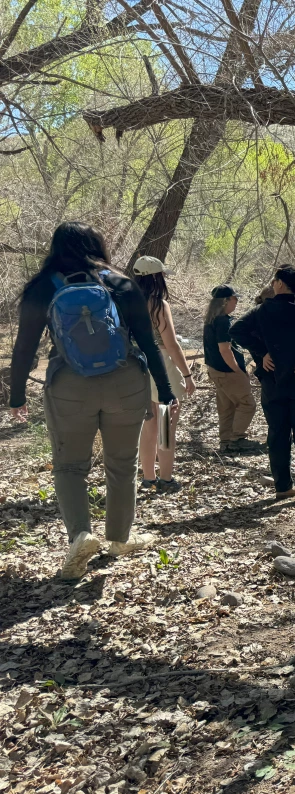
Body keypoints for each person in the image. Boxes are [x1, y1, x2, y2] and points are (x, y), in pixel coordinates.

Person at [7, 223, 176, 580]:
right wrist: (165, 390)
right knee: (122, 464)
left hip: (70, 383)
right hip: (125, 380)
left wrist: (16, 396)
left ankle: (81, 536)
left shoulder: (42, 286)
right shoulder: (120, 283)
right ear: (97, 245)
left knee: (70, 467)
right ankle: (118, 539)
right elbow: (148, 342)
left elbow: (24, 348)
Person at [230, 266, 295, 501]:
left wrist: (262, 354)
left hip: (273, 383)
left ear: (279, 284)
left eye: (274, 280)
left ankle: (283, 486)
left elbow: (236, 330)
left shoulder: (261, 311)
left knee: (277, 434)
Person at [133, 256, 196, 494]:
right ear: (155, 278)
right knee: (166, 428)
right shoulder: (158, 305)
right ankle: (166, 478)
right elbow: (171, 344)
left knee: (148, 428)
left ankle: (148, 477)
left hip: (137, 368)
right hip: (162, 369)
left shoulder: (125, 302)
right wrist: (187, 375)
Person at [203, 285, 261, 454]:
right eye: (235, 298)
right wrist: (238, 371)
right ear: (226, 301)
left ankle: (226, 442)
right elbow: (225, 349)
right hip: (227, 372)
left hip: (216, 371)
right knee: (247, 404)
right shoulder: (223, 321)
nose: (237, 302)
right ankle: (237, 439)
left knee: (226, 406)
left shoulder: (211, 320)